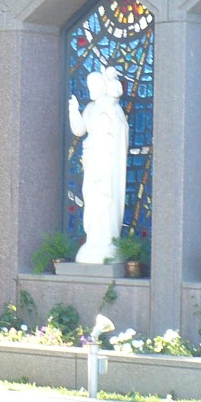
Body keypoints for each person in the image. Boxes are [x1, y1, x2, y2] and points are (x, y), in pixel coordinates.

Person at [67, 67, 129, 265]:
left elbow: (121, 134)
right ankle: (94, 238)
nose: (91, 88)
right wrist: (73, 111)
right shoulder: (91, 108)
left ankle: (107, 239)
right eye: (89, 85)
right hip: (92, 157)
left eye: (94, 84)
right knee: (91, 196)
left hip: (108, 160)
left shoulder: (113, 108)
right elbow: (79, 130)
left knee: (106, 197)